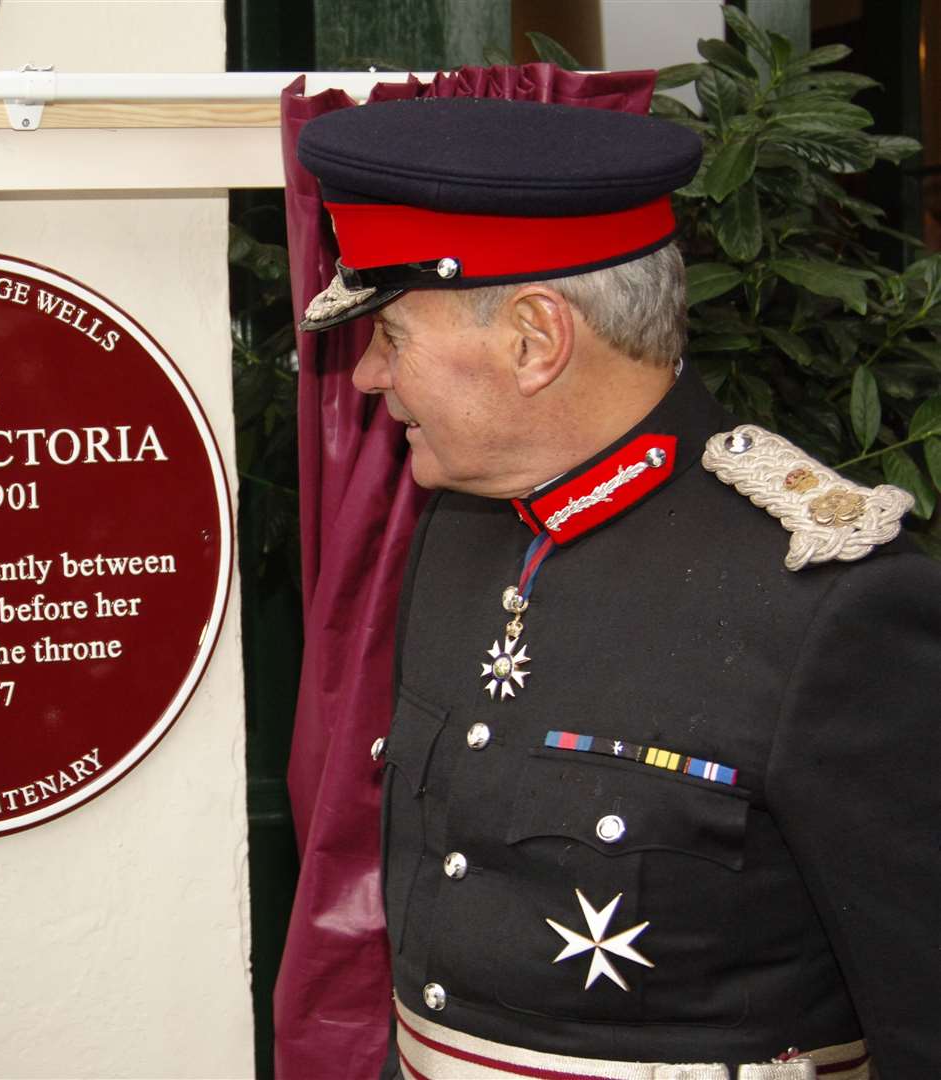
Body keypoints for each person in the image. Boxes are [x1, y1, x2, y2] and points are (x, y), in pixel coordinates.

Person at [296, 97, 941, 1079]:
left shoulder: (827, 603)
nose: (368, 377)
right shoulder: (463, 531)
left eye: (391, 333)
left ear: (533, 340)